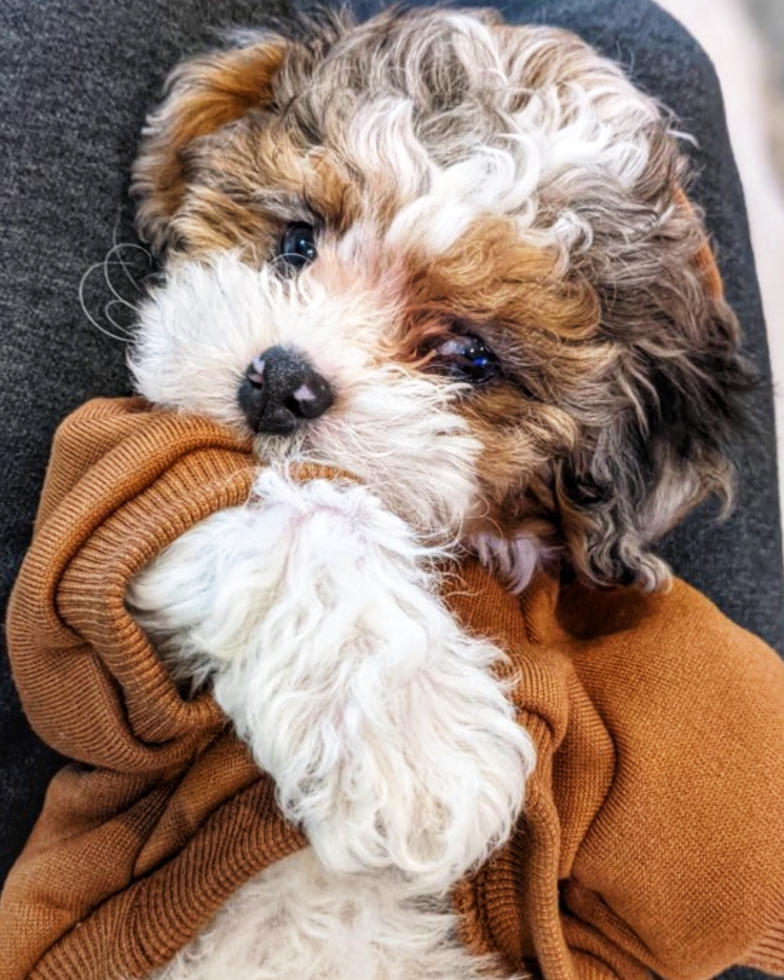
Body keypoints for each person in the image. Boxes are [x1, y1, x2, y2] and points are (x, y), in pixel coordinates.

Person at [1, 2, 781, 977]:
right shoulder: (146, 475)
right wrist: (307, 566)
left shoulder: (589, 617)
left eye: (455, 355)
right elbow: (79, 644)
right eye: (293, 246)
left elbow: (732, 845)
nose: (296, 370)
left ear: (609, 442)